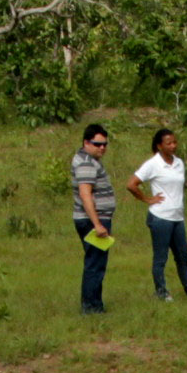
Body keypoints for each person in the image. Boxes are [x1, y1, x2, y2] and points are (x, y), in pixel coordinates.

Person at [129, 126, 187, 301]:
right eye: (169, 143)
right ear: (160, 146)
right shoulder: (153, 164)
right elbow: (132, 184)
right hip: (160, 217)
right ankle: (161, 292)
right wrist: (147, 199)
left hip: (177, 217)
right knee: (161, 258)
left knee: (183, 257)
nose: (173, 146)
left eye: (175, 142)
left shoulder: (179, 163)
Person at [69, 123, 117, 313]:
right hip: (92, 220)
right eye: (97, 144)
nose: (102, 148)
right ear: (86, 143)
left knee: (96, 262)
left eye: (104, 144)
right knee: (95, 264)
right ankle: (91, 307)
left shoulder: (86, 159)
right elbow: (85, 194)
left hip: (93, 219)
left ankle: (94, 304)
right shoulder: (86, 163)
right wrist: (97, 223)